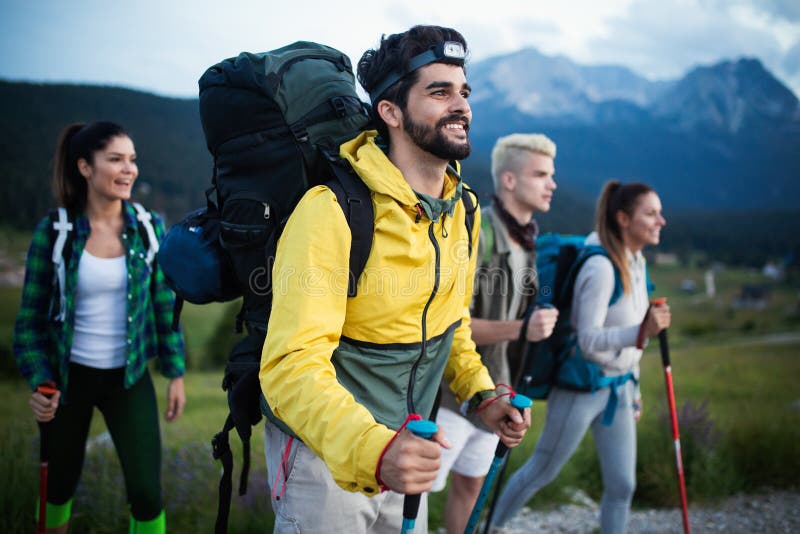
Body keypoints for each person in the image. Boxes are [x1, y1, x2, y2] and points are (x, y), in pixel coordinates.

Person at [259, 25, 531, 534]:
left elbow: (451, 326)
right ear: (391, 112)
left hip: (409, 446)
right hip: (328, 458)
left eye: (464, 91)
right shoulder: (332, 212)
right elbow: (288, 368)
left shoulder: (462, 210)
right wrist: (374, 449)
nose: (461, 106)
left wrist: (481, 396)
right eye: (439, 91)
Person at [13, 121, 186, 533]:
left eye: (132, 160)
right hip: (67, 382)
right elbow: (29, 326)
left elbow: (165, 303)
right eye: (115, 160)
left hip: (129, 379)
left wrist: (175, 372)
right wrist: (40, 381)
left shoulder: (148, 228)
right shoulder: (55, 233)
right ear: (85, 168)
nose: (129, 170)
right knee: (56, 489)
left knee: (146, 493)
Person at [488, 180, 671, 534]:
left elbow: (633, 332)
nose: (661, 221)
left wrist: (634, 389)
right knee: (542, 470)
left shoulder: (637, 261)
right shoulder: (601, 268)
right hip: (580, 386)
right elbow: (589, 339)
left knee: (622, 486)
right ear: (623, 219)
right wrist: (640, 333)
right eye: (651, 213)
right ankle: (491, 527)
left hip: (618, 389)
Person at [431, 133, 560, 533]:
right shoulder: (479, 233)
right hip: (452, 397)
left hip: (496, 391)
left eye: (551, 175)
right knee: (410, 494)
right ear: (508, 180)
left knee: (470, 486)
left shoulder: (527, 241)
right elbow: (450, 323)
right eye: (540, 174)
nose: (551, 184)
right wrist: (522, 329)